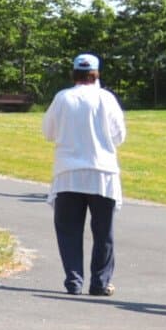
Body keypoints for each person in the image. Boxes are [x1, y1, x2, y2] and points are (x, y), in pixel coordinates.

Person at [41, 53, 128, 296]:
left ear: (74, 73)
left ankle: (74, 279)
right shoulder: (106, 99)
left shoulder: (63, 98)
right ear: (96, 73)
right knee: (103, 232)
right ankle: (100, 282)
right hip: (102, 172)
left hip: (68, 172)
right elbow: (119, 136)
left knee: (69, 229)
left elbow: (48, 132)